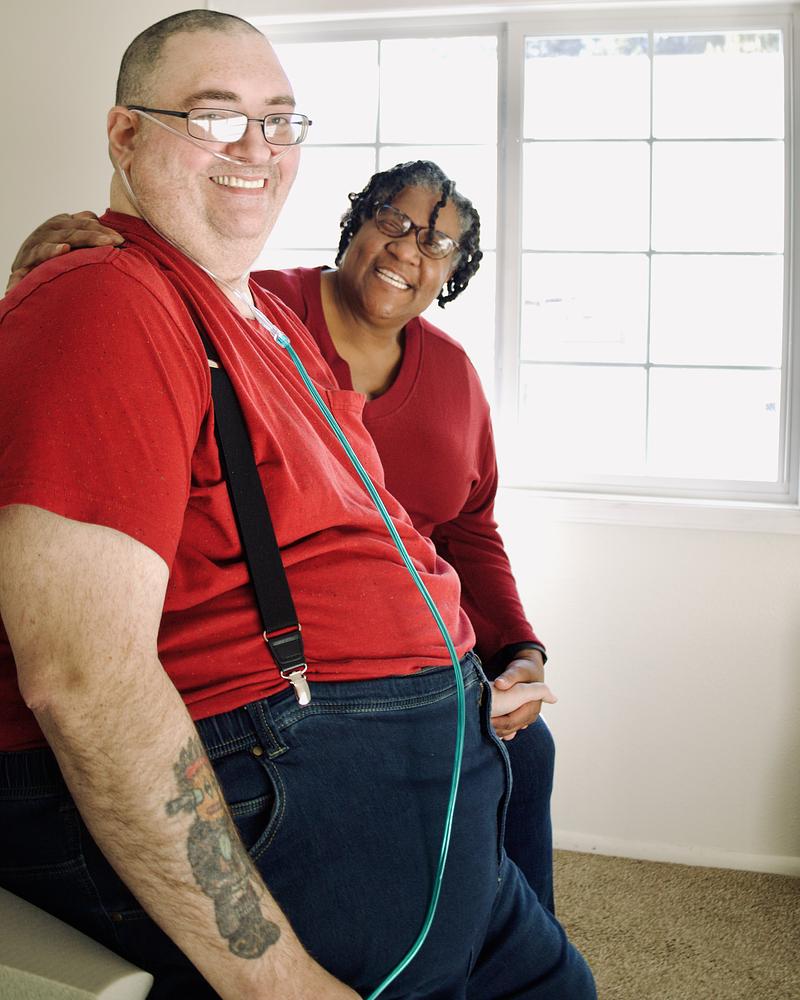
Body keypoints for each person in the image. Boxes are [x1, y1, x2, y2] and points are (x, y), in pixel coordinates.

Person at [0, 10, 595, 1000]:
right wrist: (273, 980)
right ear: (125, 135)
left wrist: (508, 654)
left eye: (278, 121)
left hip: (435, 788)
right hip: (291, 778)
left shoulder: (271, 323)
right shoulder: (107, 297)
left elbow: (462, 531)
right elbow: (81, 677)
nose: (255, 148)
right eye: (214, 117)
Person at [10, 162, 559, 911]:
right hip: (278, 662)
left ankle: (495, 922)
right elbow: (123, 316)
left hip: (417, 650)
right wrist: (64, 267)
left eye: (436, 244)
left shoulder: (456, 377)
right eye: (393, 222)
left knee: (526, 752)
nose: (407, 249)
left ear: (453, 273)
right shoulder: (256, 310)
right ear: (357, 223)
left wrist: (521, 650)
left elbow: (472, 530)